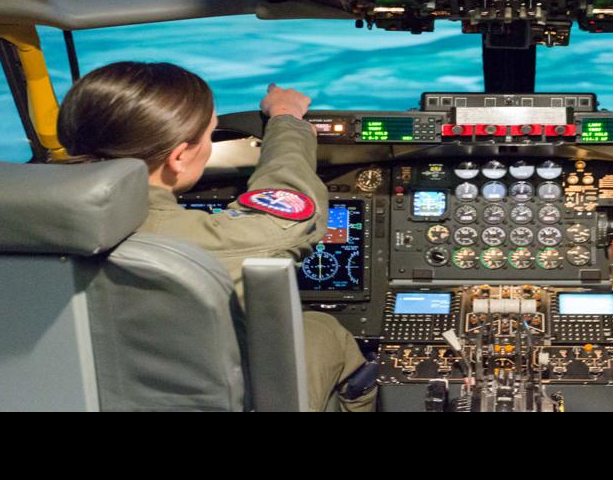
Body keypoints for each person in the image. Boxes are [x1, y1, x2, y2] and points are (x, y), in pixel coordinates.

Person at [57, 62, 375, 412]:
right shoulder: (193, 245)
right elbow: (292, 211)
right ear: (178, 157)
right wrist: (286, 118)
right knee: (323, 331)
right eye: (209, 136)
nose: (208, 146)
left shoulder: (5, 232)